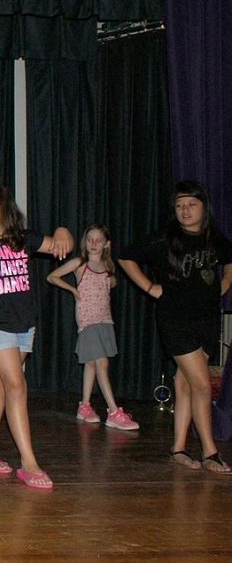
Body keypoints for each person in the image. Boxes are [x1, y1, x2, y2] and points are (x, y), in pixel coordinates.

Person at [0, 183, 72, 490]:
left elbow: (63, 245)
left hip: (24, 324)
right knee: (17, 386)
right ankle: (29, 462)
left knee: (0, 386)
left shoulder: (24, 239)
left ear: (6, 206)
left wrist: (62, 230)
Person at [118, 181, 232, 472]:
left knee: (184, 384)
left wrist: (225, 283)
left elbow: (229, 260)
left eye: (191, 204)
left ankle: (178, 449)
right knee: (203, 385)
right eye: (180, 205)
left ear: (203, 208)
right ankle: (209, 451)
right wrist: (149, 287)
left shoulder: (213, 238)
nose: (185, 210)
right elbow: (125, 256)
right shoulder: (165, 239)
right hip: (175, 319)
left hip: (207, 320)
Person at [47, 224, 139, 430]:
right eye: (90, 240)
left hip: (105, 319)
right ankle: (114, 411)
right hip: (88, 320)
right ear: (84, 242)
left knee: (90, 363)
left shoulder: (107, 266)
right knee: (101, 363)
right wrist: (73, 289)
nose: (94, 244)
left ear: (107, 244)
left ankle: (85, 406)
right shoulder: (80, 263)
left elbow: (110, 282)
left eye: (98, 240)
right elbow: (52, 276)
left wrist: (112, 281)